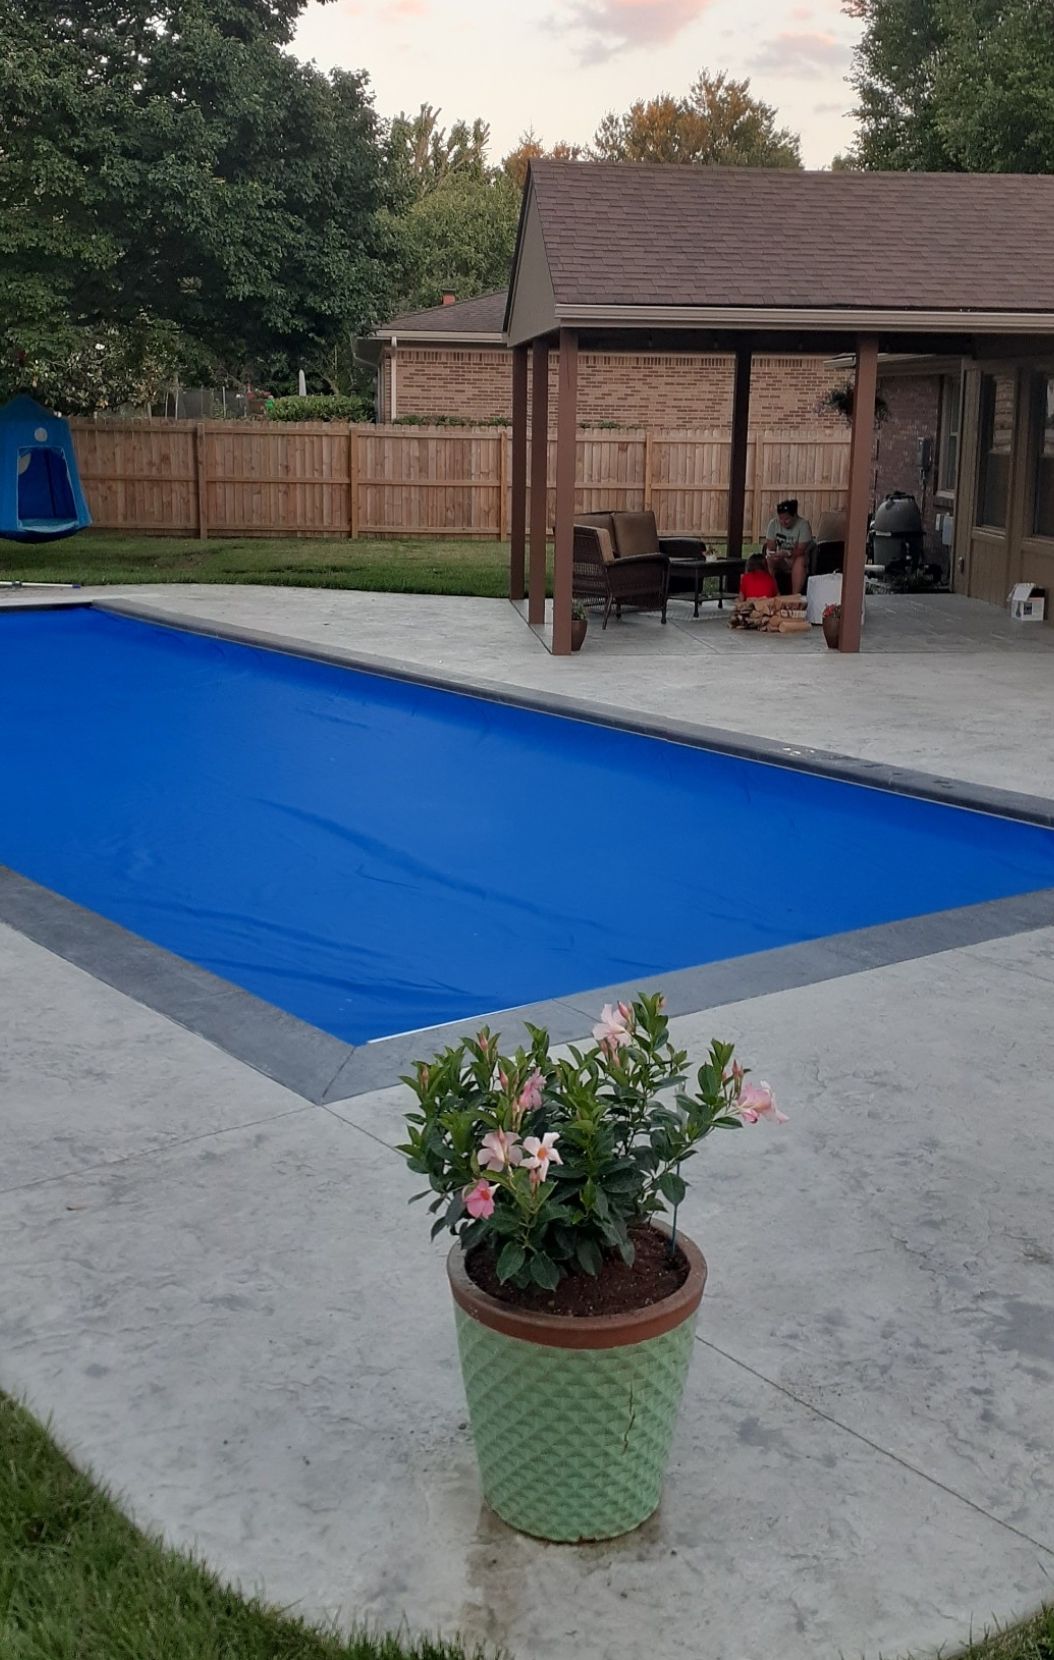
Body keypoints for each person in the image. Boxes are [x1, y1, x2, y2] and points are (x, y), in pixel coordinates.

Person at [763, 497, 813, 596]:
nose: (783, 522)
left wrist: (787, 553)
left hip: (796, 558)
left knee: (800, 560)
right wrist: (774, 554)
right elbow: (770, 546)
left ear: (794, 515)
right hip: (781, 560)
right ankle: (774, 593)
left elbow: (801, 549)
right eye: (780, 518)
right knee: (768, 560)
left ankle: (794, 596)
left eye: (787, 519)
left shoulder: (803, 525)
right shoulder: (773, 524)